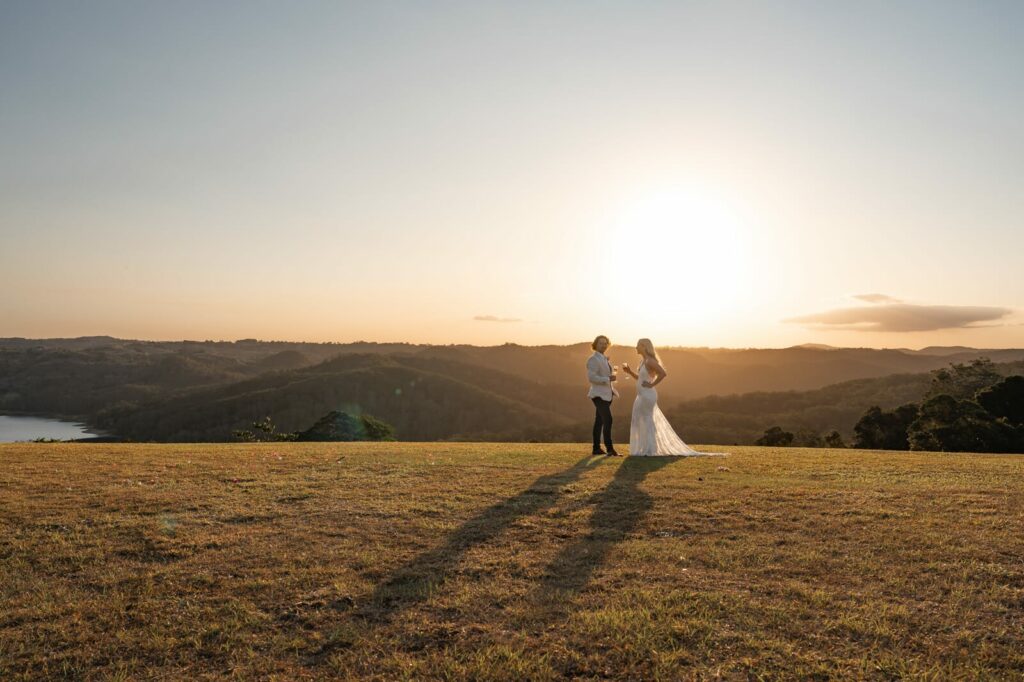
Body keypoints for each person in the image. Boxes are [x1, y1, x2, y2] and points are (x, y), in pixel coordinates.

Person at [621, 338, 726, 457]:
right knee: (640, 420)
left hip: (647, 395)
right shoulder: (643, 361)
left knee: (647, 420)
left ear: (644, 347)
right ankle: (644, 448)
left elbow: (663, 373)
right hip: (641, 395)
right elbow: (641, 379)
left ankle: (650, 449)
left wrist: (652, 384)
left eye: (638, 345)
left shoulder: (650, 361)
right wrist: (630, 372)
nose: (636, 347)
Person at [586, 334, 620, 456]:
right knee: (608, 419)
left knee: (599, 421)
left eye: (605, 343)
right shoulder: (593, 359)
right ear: (595, 345)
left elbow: (605, 376)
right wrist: (607, 378)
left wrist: (611, 378)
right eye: (601, 343)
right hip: (598, 395)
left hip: (607, 394)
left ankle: (596, 448)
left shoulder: (604, 358)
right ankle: (610, 449)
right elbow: (591, 378)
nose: (604, 345)